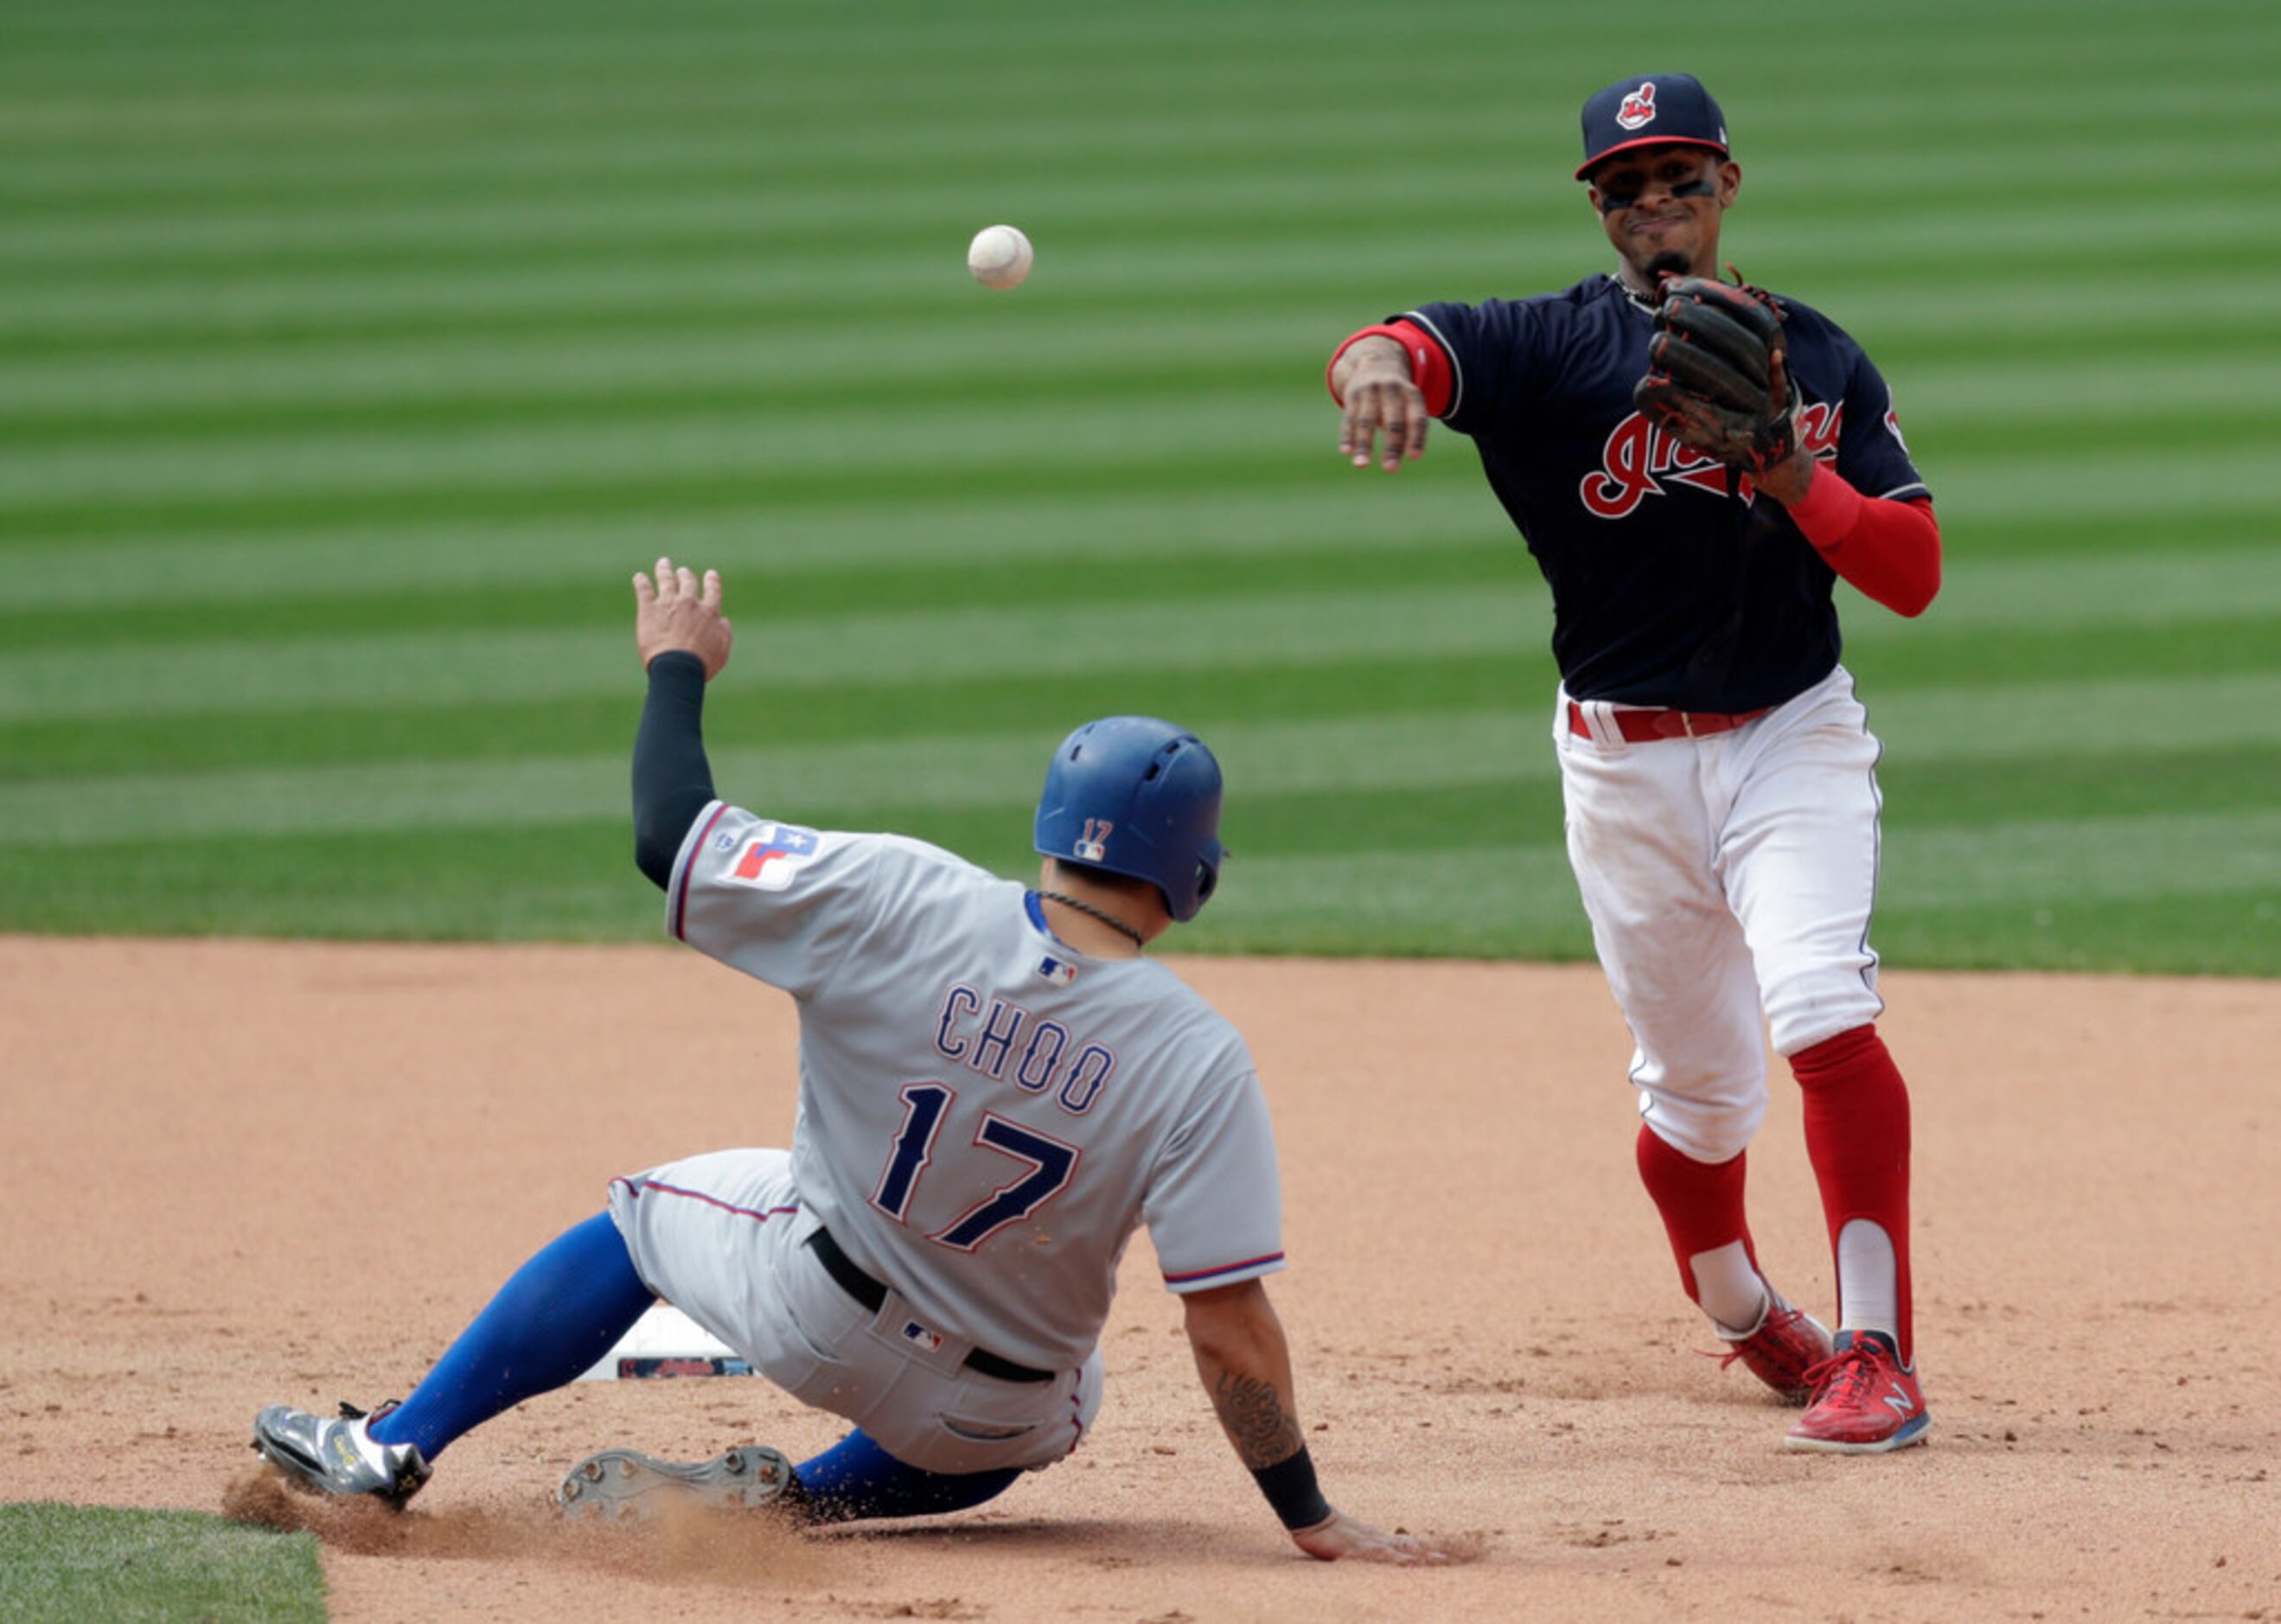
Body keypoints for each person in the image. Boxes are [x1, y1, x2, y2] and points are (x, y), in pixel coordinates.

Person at [249, 559, 1443, 1562]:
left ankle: (391, 1447)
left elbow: (670, 837)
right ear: (1193, 879)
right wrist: (1309, 1513)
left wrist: (675, 663)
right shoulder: (1199, 1058)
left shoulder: (897, 892)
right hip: (989, 1411)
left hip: (806, 1306)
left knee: (641, 1215)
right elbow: (1226, 1327)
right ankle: (802, 1501)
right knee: (1072, 1401)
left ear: (1044, 828)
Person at [1326, 74, 1940, 1454]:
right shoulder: (1546, 349)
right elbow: (1411, 342)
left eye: (1680, 179)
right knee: (1695, 1091)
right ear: (1594, 207)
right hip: (1620, 768)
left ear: (1727, 186)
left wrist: (1790, 473)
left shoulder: (1820, 360)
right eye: (1625, 187)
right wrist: (1368, 360)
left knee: (1819, 1009)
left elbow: (1911, 572)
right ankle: (1738, 1310)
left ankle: (1874, 1349)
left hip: (1792, 736)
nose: (1654, 206)